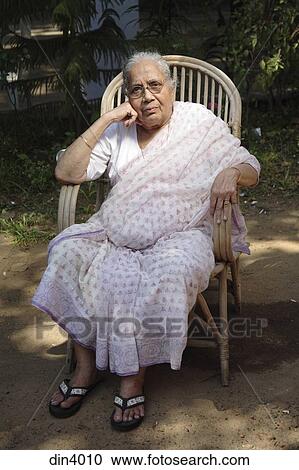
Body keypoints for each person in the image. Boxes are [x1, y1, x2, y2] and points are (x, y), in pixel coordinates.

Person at [32, 51, 260, 431]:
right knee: (68, 252)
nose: (147, 96)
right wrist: (105, 120)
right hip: (115, 228)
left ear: (172, 89)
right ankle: (85, 367)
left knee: (166, 271)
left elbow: (251, 167)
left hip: (181, 233)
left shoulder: (198, 123)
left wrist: (231, 172)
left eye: (155, 85)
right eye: (136, 89)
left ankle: (133, 375)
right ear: (127, 98)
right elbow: (66, 172)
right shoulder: (118, 130)